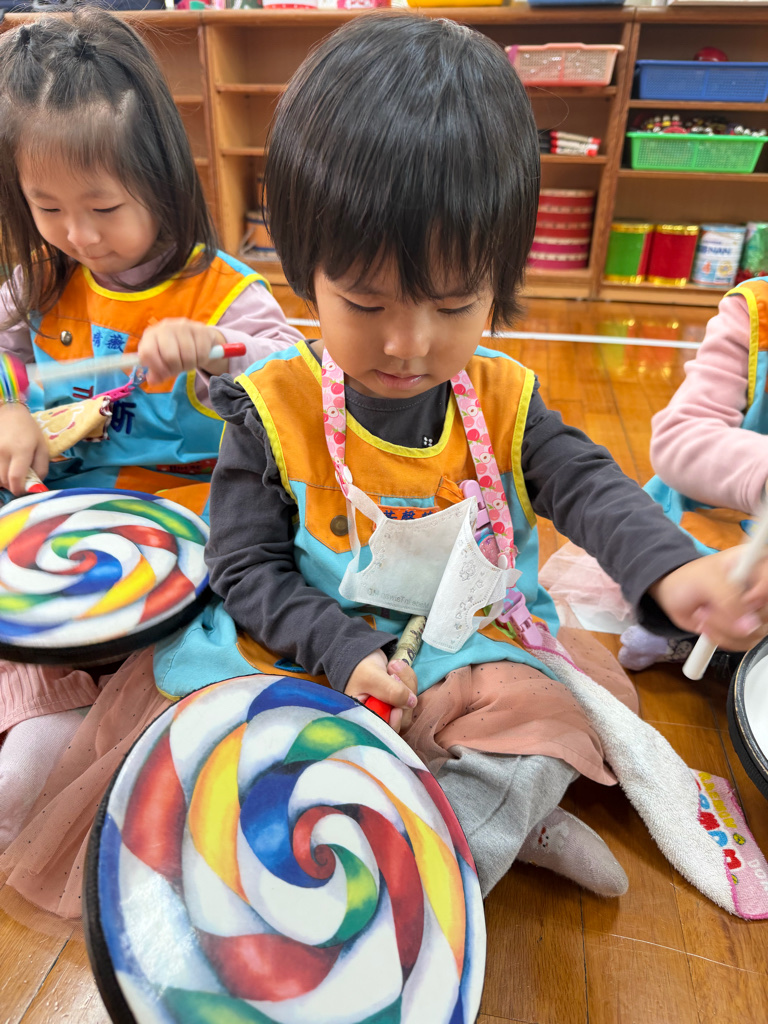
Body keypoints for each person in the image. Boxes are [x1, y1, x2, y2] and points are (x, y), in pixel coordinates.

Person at [202, 14, 768, 902]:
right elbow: (243, 566)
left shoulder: (504, 399)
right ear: (304, 270)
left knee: (557, 721)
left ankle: (440, 864)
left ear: (499, 285)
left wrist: (671, 570)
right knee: (253, 748)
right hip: (327, 650)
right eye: (366, 303)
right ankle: (463, 819)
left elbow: (588, 484)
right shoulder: (271, 409)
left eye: (454, 304)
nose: (409, 344)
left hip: (480, 642)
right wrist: (339, 647)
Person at [0, 11, 303, 871]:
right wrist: (10, 409)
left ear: (162, 180)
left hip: (192, 520)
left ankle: (95, 733)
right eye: (48, 208)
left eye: (103, 207)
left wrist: (217, 356)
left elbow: (294, 386)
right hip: (68, 515)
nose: (80, 234)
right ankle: (50, 708)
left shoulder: (223, 293)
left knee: (224, 637)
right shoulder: (42, 282)